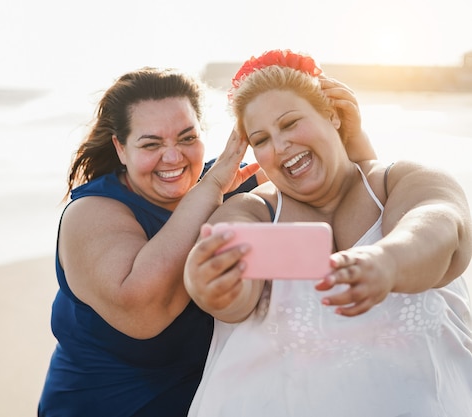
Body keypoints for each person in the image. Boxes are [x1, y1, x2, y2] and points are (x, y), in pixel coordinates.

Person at [37, 66, 375, 417]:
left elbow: (355, 218)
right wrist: (210, 188)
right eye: (151, 144)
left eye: (186, 138)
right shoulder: (92, 213)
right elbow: (144, 309)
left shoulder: (236, 184)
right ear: (120, 149)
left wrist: (348, 134)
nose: (173, 157)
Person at [183, 50, 472, 417]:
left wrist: (386, 261)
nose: (280, 145)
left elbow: (439, 225)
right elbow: (233, 285)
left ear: (332, 115)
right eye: (262, 139)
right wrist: (209, 283)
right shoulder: (253, 210)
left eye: (289, 124)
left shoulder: (400, 182)